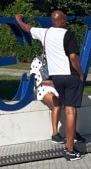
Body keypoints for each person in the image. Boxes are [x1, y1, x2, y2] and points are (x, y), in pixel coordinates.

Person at [15, 11, 86, 160]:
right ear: (62, 20)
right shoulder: (68, 34)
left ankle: (69, 143)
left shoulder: (45, 33)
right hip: (70, 76)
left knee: (66, 108)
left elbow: (28, 28)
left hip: (57, 78)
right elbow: (73, 57)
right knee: (71, 112)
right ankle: (70, 149)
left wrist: (18, 20)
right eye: (64, 19)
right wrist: (80, 73)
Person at [29, 54, 66, 143]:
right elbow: (37, 80)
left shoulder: (57, 58)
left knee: (69, 104)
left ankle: (72, 131)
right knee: (56, 104)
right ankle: (55, 134)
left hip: (55, 87)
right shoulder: (38, 60)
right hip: (43, 88)